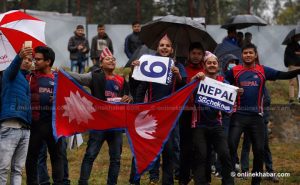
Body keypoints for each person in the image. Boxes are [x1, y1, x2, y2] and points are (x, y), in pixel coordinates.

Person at [225, 43, 300, 185]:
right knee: (230, 146)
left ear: (255, 55)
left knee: (259, 151)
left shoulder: (262, 70)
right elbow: (222, 82)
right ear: (242, 55)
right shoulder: (234, 71)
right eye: (245, 53)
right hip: (238, 116)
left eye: (250, 53)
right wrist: (232, 88)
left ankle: (256, 181)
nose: (248, 55)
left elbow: (282, 74)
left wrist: (297, 71)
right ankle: (228, 180)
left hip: (256, 118)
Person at [67, 47, 132, 185]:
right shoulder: (94, 76)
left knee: (116, 158)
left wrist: (129, 98)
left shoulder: (121, 80)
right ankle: (83, 182)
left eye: (113, 59)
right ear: (101, 63)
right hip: (98, 124)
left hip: (115, 125)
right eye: (108, 59)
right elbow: (78, 78)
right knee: (90, 155)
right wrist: (61, 72)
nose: (112, 60)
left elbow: (129, 96)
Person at [129, 34, 186, 185]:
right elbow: (137, 86)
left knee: (170, 148)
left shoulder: (178, 65)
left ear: (172, 49)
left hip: (170, 115)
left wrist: (178, 75)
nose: (164, 48)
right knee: (146, 145)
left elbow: (184, 87)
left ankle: (167, 180)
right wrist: (134, 71)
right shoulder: (149, 63)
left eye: (167, 46)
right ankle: (144, 178)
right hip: (151, 113)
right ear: (157, 48)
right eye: (162, 45)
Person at [191, 51, 234, 185]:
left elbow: (230, 105)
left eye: (214, 63)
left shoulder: (223, 82)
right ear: (204, 65)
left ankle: (228, 182)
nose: (211, 65)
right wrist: (194, 80)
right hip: (199, 125)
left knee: (225, 155)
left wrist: (236, 94)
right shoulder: (199, 79)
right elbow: (188, 92)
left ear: (218, 65)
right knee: (201, 156)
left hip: (217, 124)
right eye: (209, 63)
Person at [25, 46, 65, 185]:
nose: (35, 62)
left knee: (57, 157)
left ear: (48, 61)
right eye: (35, 59)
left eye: (39, 59)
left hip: (54, 124)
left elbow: (69, 99)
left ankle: (59, 182)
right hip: (36, 123)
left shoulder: (59, 78)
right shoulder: (30, 76)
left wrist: (59, 99)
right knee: (32, 157)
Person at [0, 47, 32, 185]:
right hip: (10, 126)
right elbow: (13, 68)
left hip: (25, 129)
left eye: (30, 60)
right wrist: (19, 56)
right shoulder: (9, 74)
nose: (27, 61)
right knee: (3, 168)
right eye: (25, 59)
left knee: (18, 169)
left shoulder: (26, 80)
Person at [178, 42, 205, 185]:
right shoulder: (182, 70)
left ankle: (200, 178)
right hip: (186, 113)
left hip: (202, 114)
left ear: (203, 55)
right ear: (189, 54)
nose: (196, 56)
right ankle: (183, 178)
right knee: (185, 147)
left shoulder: (207, 71)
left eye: (199, 54)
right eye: (193, 53)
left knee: (200, 148)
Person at [240, 88, 279, 183]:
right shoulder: (245, 87)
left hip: (261, 122)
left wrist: (264, 120)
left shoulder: (263, 88)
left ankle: (270, 171)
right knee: (246, 146)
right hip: (248, 121)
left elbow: (267, 102)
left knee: (265, 147)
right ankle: (244, 172)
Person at [284, 34, 300, 103]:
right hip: (292, 66)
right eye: (297, 37)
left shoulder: (298, 45)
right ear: (294, 37)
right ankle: (291, 98)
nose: (299, 38)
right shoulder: (289, 46)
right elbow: (289, 54)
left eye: (299, 37)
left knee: (299, 82)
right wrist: (296, 53)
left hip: (299, 65)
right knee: (292, 82)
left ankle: (299, 97)